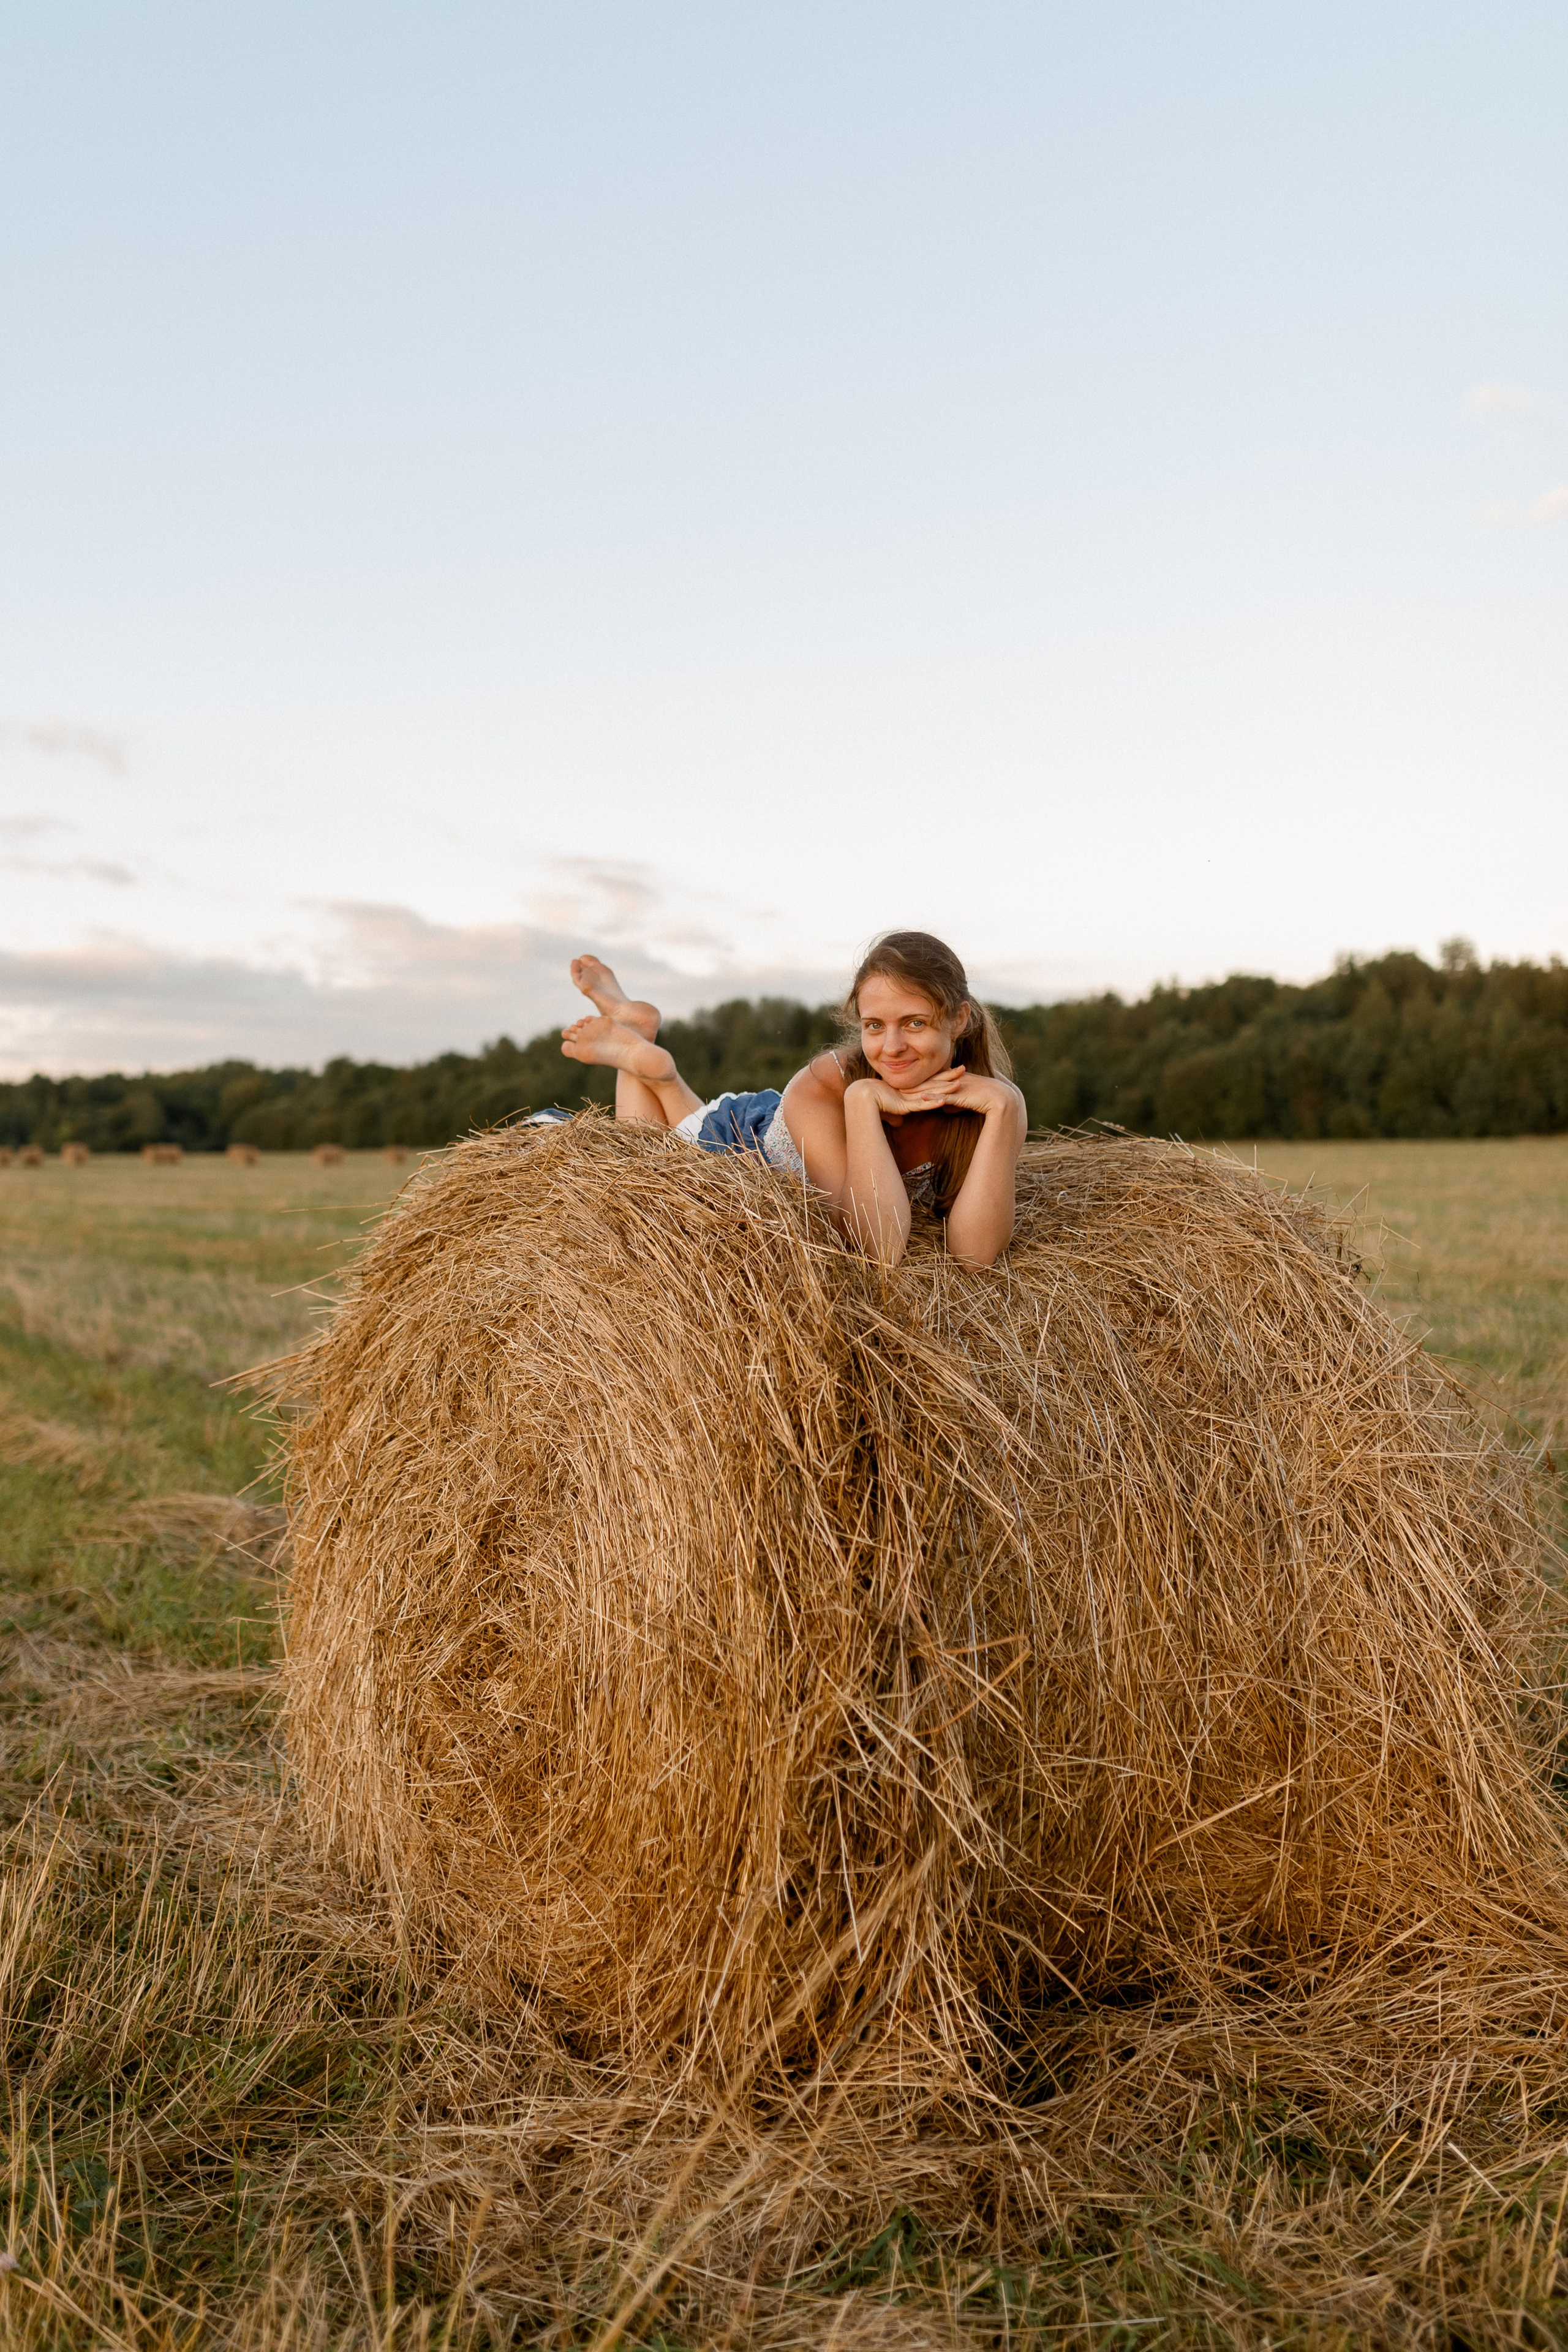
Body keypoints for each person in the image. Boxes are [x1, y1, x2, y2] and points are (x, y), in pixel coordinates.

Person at [557, 930, 1027, 1268]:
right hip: (740, 1150)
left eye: (915, 1023)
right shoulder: (826, 1084)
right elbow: (877, 1248)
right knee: (636, 1154)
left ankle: (659, 1071)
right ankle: (640, 1056)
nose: (892, 1047)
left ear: (960, 1019)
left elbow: (974, 1256)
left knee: (667, 1126)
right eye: (875, 1026)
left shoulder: (993, 1104)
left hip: (774, 1124)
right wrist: (863, 1099)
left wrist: (1006, 1109)